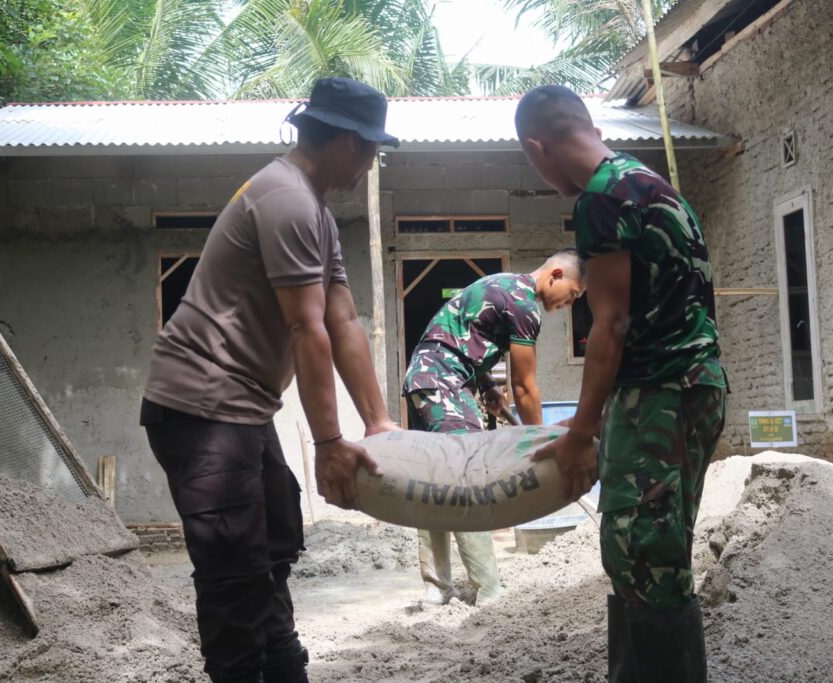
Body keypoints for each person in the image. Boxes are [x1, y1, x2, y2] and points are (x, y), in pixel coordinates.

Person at [140, 77, 400, 683]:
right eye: (369, 150)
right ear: (345, 139)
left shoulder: (316, 211)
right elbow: (306, 327)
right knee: (234, 576)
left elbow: (343, 319)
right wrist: (329, 443)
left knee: (274, 552)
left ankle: (285, 670)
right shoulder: (286, 199)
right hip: (201, 408)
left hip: (242, 410)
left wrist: (379, 422)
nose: (369, 164)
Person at [516, 85, 727, 682]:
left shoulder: (602, 199)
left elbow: (611, 323)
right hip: (694, 388)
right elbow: (665, 313)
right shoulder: (653, 186)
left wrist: (583, 432)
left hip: (660, 395)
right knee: (656, 554)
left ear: (537, 146)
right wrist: (601, 417)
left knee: (643, 559)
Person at [401, 252, 586, 606]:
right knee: (468, 479)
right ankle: (489, 592)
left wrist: (487, 386)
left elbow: (460, 336)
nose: (569, 305)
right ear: (556, 275)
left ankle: (437, 589)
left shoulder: (502, 285)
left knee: (436, 481)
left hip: (425, 379)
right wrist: (541, 440)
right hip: (445, 384)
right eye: (573, 294)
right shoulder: (525, 306)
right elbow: (525, 387)